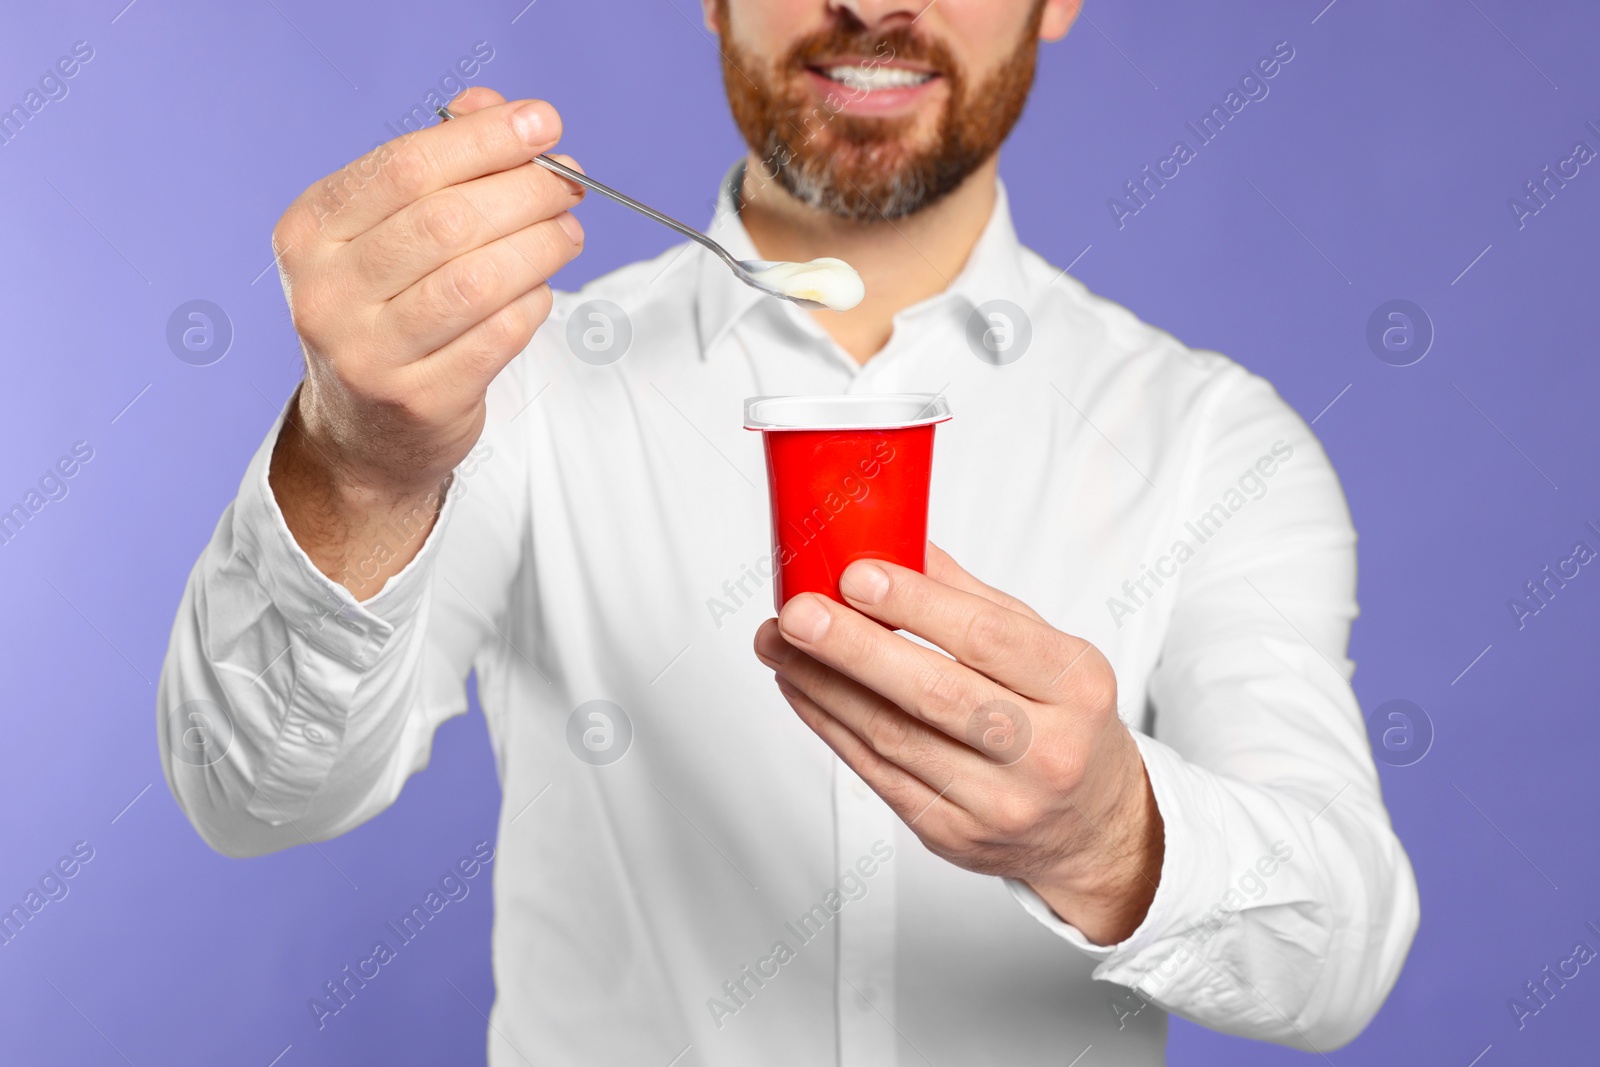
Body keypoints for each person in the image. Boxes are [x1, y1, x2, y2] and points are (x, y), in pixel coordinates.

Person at [158, 0, 1419, 1062]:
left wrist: (1105, 834)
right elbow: (256, 793)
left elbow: (1342, 945)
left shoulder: (1210, 441)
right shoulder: (521, 386)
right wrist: (360, 462)